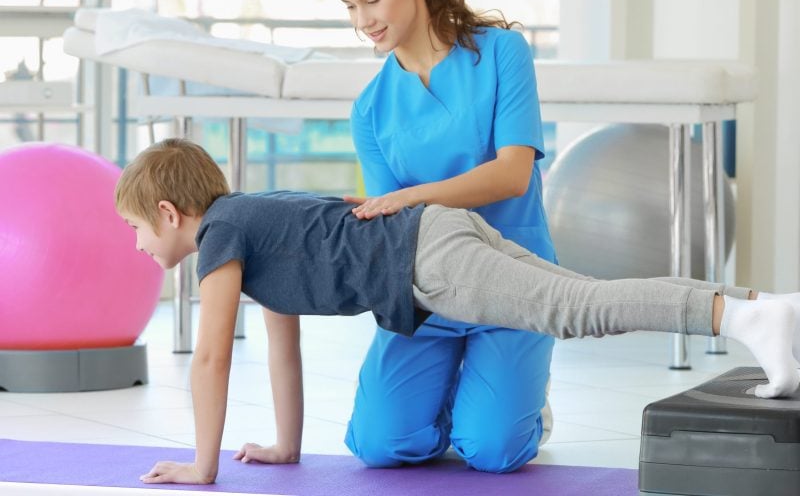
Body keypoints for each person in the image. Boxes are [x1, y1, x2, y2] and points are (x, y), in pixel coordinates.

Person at [116, 138, 800, 486]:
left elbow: (208, 358)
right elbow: (282, 344)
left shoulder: (219, 238)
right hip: (435, 232)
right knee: (582, 293)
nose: (137, 245)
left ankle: (737, 319)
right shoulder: (251, 224)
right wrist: (286, 446)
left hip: (428, 260)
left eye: (137, 230)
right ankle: (760, 308)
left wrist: (202, 466)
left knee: (576, 309)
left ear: (171, 214)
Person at [333, 0, 557, 472]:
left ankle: (518, 403)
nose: (363, 21)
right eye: (350, 6)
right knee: (380, 446)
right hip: (429, 289)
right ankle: (464, 392)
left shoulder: (502, 53)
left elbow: (512, 173)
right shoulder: (370, 108)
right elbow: (388, 225)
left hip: (516, 279)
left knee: (494, 450)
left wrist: (409, 196)